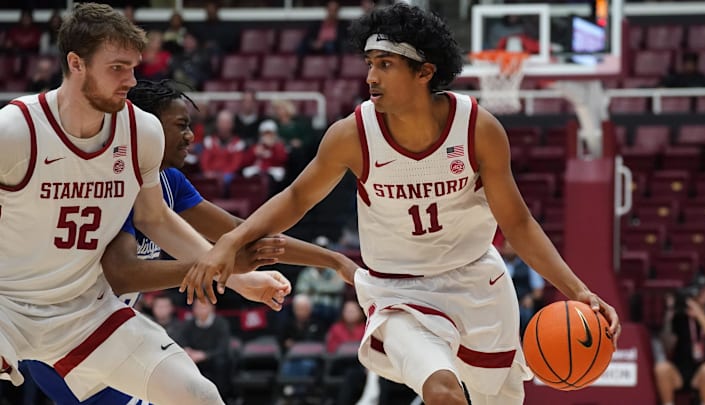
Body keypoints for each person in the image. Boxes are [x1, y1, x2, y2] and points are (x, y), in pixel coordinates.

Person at [183, 3, 622, 405]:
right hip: (396, 291)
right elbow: (297, 197)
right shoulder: (352, 134)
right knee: (443, 390)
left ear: (424, 72)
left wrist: (579, 291)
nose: (371, 77)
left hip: (476, 282)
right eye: (370, 64)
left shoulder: (477, 130)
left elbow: (520, 224)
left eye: (386, 65)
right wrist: (231, 241)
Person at [20, 79, 359, 405]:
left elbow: (241, 232)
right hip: (71, 335)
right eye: (180, 125)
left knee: (202, 396)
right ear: (148, 128)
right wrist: (215, 269)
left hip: (110, 330)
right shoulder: (114, 185)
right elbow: (124, 273)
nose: (189, 136)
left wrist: (332, 260)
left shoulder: (169, 183)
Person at [0, 4, 262, 405]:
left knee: (199, 395)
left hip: (86, 310)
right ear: (76, 63)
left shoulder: (142, 130)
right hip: (8, 305)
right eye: (117, 68)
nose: (131, 80)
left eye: (134, 68)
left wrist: (235, 276)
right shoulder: (16, 131)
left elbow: (156, 219)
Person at [655, 274, 705, 405]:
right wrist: (669, 312)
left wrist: (699, 314)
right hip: (681, 370)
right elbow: (667, 344)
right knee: (662, 368)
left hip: (703, 371)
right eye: (699, 289)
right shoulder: (680, 318)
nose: (702, 293)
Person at [499, 237, 545, 337]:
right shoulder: (498, 265)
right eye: (506, 248)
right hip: (502, 304)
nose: (508, 250)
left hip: (522, 303)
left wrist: (530, 298)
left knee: (525, 313)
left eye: (511, 247)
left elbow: (538, 291)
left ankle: (525, 340)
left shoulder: (528, 265)